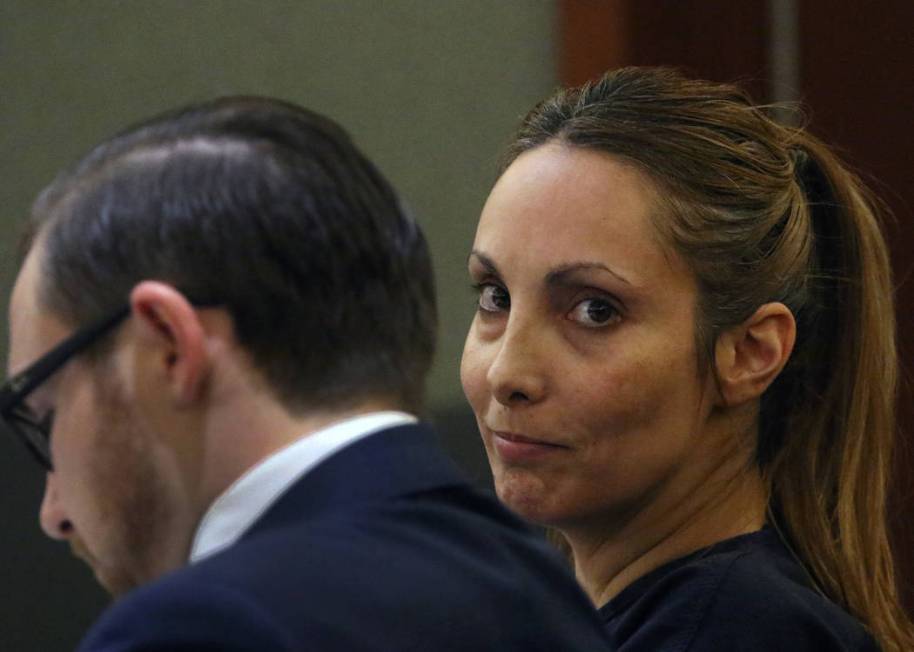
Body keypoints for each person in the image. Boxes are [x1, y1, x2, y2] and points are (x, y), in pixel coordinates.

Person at [1, 97, 611, 651]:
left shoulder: (196, 629)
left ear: (169, 349)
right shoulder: (547, 589)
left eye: (45, 417)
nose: (52, 512)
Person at [460, 67, 914, 652]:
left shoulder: (738, 634)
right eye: (496, 296)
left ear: (751, 352)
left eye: (595, 310)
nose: (506, 374)